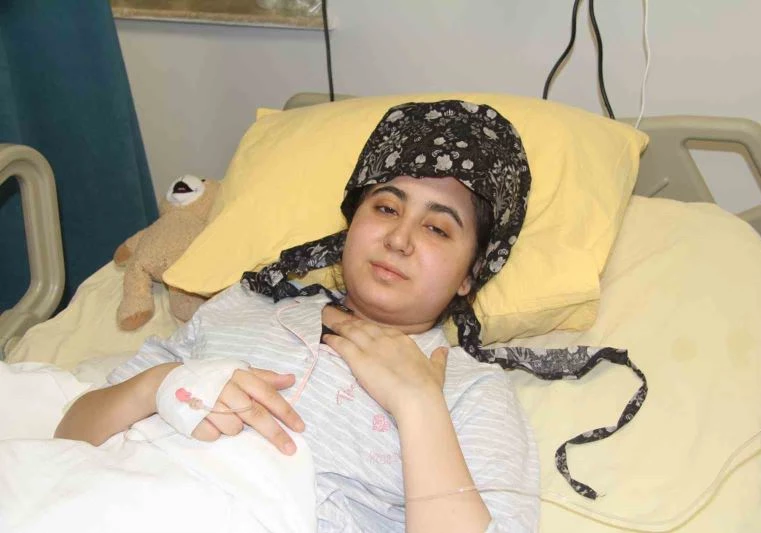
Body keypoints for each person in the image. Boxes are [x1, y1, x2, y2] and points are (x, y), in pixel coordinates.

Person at [55, 99, 644, 532]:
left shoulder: (470, 391)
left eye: (438, 228)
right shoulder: (245, 306)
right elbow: (71, 434)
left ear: (470, 275)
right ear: (350, 225)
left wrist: (417, 404)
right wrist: (165, 384)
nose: (399, 239)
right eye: (385, 207)